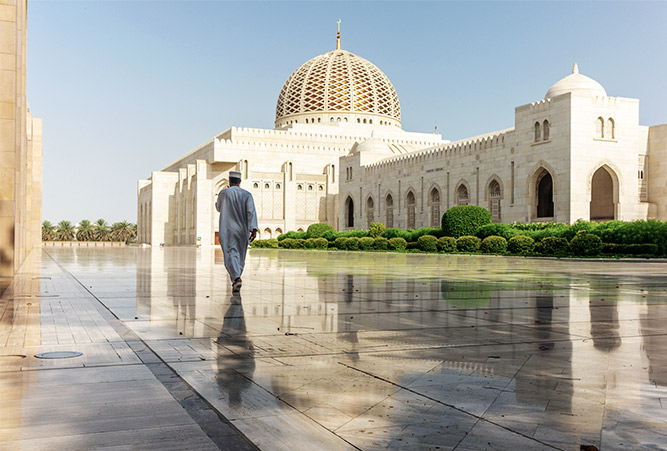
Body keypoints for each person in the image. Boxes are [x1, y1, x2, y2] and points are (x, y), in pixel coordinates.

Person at [215, 171, 258, 292]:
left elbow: (218, 207)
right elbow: (251, 212)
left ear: (229, 181)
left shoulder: (224, 193)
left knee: (230, 254)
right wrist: (253, 229)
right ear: (240, 182)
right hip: (242, 230)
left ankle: (236, 278)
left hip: (227, 229)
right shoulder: (247, 194)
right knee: (240, 255)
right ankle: (236, 279)